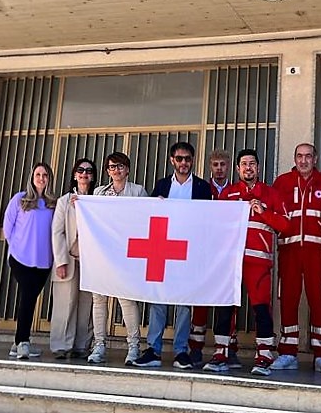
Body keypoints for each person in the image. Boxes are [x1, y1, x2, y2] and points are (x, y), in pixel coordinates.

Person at [203, 149, 289, 376]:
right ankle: (221, 351)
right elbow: (216, 226)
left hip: (259, 262)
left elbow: (285, 225)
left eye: (252, 163)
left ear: (258, 168)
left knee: (261, 308)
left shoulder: (271, 194)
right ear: (238, 169)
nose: (248, 168)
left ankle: (264, 355)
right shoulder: (229, 194)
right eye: (244, 164)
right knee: (225, 307)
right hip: (231, 262)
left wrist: (263, 211)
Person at [134, 141, 212, 370]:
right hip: (161, 249)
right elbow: (149, 216)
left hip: (187, 251)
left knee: (184, 303)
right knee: (157, 299)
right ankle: (153, 349)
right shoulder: (161, 185)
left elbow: (207, 220)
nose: (184, 163)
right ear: (172, 160)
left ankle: (181, 351)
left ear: (193, 160)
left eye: (188, 158)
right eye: (179, 158)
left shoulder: (202, 188)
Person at [271, 142, 321, 374]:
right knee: (288, 300)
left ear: (316, 158)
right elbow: (273, 214)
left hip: (317, 252)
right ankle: (287, 353)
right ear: (294, 158)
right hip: (289, 250)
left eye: (308, 156)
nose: (303, 160)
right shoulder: (282, 183)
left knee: (320, 301)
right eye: (299, 156)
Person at [87, 151, 148, 366]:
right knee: (99, 300)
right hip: (102, 254)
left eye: (120, 166)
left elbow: (147, 218)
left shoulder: (138, 191)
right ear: (107, 171)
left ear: (128, 169)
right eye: (112, 167)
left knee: (126, 300)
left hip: (127, 255)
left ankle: (133, 346)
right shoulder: (98, 193)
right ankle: (99, 344)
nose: (116, 170)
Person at [189, 149, 240, 368]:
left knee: (228, 303)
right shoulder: (201, 188)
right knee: (200, 301)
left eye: (223, 164)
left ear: (229, 167)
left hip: (228, 255)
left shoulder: (237, 191)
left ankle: (230, 350)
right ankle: (195, 349)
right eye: (215, 164)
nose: (219, 168)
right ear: (210, 166)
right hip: (203, 254)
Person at [3, 161, 57, 359]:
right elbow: (7, 228)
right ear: (32, 178)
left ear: (49, 178)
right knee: (27, 296)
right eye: (38, 174)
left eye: (45, 175)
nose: (41, 178)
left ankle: (17, 343)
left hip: (43, 262)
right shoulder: (20, 199)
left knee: (31, 298)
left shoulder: (53, 203)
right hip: (21, 259)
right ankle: (23, 342)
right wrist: (17, 247)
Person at [49, 157, 97, 360]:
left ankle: (81, 345)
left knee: (87, 304)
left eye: (88, 170)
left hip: (91, 260)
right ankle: (61, 345)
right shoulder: (64, 201)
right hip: (68, 258)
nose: (84, 173)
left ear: (93, 176)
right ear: (74, 175)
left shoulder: (98, 199)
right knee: (65, 302)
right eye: (80, 170)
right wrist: (60, 260)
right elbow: (57, 232)